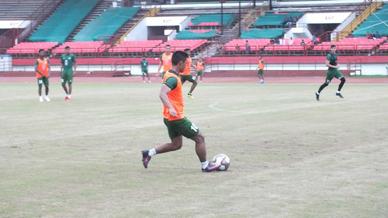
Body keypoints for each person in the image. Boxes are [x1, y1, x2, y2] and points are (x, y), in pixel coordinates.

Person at [141, 51, 220, 172]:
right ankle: (205, 166)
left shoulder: (170, 73)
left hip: (168, 118)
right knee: (200, 138)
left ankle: (148, 153)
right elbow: (162, 94)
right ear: (180, 63)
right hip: (177, 118)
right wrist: (171, 108)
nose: (187, 66)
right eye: (186, 63)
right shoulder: (173, 78)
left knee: (176, 145)